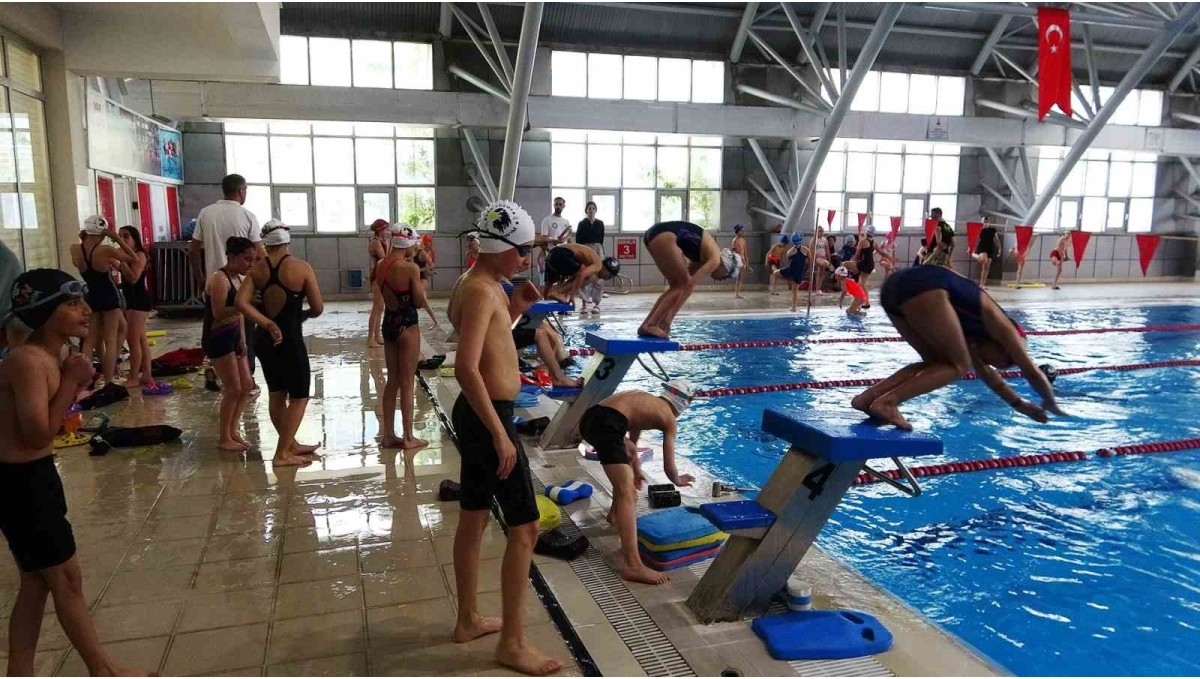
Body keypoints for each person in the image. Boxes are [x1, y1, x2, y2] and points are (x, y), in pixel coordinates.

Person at [0, 269, 145, 676]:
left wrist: (71, 378)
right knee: (66, 579)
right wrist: (71, 383)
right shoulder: (29, 361)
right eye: (72, 303)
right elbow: (34, 435)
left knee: (36, 583)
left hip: (31, 477)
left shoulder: (52, 355)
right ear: (45, 312)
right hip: (21, 482)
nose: (85, 310)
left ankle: (20, 671)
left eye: (83, 300)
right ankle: (102, 670)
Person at [446, 200, 563, 675]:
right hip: (487, 416)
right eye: (522, 252)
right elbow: (465, 367)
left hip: (482, 415)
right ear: (502, 249)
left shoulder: (481, 283)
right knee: (526, 528)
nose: (526, 260)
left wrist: (517, 308)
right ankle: (512, 644)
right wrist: (500, 434)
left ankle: (468, 619)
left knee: (474, 517)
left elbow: (492, 340)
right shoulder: (479, 290)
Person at [853, 264, 1063, 431]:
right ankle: (888, 402)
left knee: (936, 364)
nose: (997, 366)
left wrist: (1020, 406)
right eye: (1007, 362)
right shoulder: (1004, 329)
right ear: (1004, 347)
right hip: (926, 285)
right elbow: (1032, 372)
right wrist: (1050, 402)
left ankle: (869, 398)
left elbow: (990, 378)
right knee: (958, 366)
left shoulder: (973, 338)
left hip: (894, 287)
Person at [578, 380, 696, 585]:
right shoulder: (669, 419)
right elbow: (669, 464)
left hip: (591, 418)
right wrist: (677, 479)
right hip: (608, 423)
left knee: (629, 454)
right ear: (682, 406)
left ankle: (614, 514)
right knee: (628, 492)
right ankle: (633, 565)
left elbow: (632, 440)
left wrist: (636, 470)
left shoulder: (647, 401)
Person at [235, 220, 324, 467]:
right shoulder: (301, 268)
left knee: (276, 393)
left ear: (265, 242)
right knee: (299, 396)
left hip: (264, 339)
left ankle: (290, 443)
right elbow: (317, 308)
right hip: (290, 339)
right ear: (287, 241)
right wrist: (301, 315)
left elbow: (241, 303)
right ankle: (282, 454)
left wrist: (267, 324)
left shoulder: (256, 270)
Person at [191, 174, 263, 386]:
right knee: (244, 336)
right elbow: (258, 254)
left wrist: (200, 280)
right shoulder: (247, 215)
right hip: (241, 285)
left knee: (214, 331)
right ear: (241, 191)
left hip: (214, 284)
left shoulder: (206, 213)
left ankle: (217, 374)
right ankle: (246, 379)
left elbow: (193, 250)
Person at [376, 225, 428, 450]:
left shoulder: (380, 266)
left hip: (388, 324)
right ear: (408, 243)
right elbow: (417, 301)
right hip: (407, 326)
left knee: (392, 381)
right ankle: (408, 437)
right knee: (407, 383)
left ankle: (388, 435)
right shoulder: (410, 268)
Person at [203, 237, 257, 451]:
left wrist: (243, 339)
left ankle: (233, 430)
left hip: (234, 336)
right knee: (233, 388)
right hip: (218, 337)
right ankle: (224, 436)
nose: (250, 265)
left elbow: (240, 315)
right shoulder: (219, 278)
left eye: (252, 260)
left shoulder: (238, 279)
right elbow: (219, 313)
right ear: (232, 257)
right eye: (246, 260)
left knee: (247, 386)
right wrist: (243, 305)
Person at [639, 221, 736, 339]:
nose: (722, 279)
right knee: (680, 285)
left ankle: (647, 325)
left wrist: (668, 318)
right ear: (725, 266)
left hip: (654, 234)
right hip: (665, 235)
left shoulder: (703, 256)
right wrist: (669, 319)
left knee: (676, 286)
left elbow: (685, 287)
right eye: (726, 276)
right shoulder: (715, 259)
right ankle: (652, 324)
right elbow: (688, 286)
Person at [70, 216, 135, 387]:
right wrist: (117, 238)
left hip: (91, 296)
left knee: (89, 340)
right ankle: (108, 381)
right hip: (108, 295)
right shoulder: (104, 250)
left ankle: (83, 381)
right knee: (111, 340)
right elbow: (132, 257)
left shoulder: (75, 249)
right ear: (103, 232)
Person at [115, 226, 164, 394]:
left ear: (135, 239)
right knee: (141, 340)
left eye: (126, 236)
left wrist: (122, 263)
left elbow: (134, 278)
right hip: (132, 301)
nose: (122, 239)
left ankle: (134, 376)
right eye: (120, 236)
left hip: (138, 302)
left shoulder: (140, 255)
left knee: (133, 340)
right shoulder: (126, 255)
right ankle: (147, 375)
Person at [542, 243, 620, 313]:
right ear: (605, 269)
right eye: (609, 276)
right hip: (562, 254)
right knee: (590, 276)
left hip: (551, 254)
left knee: (549, 283)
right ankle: (558, 293)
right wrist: (572, 295)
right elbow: (582, 275)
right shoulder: (598, 264)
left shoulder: (590, 259)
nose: (606, 278)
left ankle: (546, 302)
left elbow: (574, 278)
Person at [575, 201, 606, 312]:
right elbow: (578, 240)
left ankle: (597, 304)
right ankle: (584, 304)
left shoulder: (600, 223)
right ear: (586, 210)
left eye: (593, 208)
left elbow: (601, 238)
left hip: (598, 248)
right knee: (585, 275)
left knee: (598, 276)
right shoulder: (582, 223)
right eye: (589, 208)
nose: (591, 210)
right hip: (586, 249)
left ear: (595, 210)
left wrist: (598, 249)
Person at [366, 219, 391, 348]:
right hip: (377, 274)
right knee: (376, 307)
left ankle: (376, 336)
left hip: (381, 273)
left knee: (380, 307)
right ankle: (370, 338)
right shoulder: (375, 242)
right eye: (386, 229)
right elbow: (383, 258)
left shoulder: (381, 241)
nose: (387, 231)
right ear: (380, 229)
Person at [778, 233, 810, 313]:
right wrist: (808, 270)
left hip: (792, 271)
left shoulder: (790, 251)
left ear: (792, 241)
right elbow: (811, 261)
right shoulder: (806, 250)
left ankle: (793, 307)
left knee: (775, 273)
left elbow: (789, 261)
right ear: (801, 240)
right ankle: (794, 307)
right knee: (795, 290)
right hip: (800, 272)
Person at [414, 233, 439, 327]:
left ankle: (435, 322)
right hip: (415, 277)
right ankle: (435, 322)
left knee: (421, 299)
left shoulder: (422, 253)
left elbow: (432, 265)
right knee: (424, 301)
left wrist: (419, 270)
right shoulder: (413, 252)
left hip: (422, 278)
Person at [970, 217, 1001, 288]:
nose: (986, 222)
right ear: (982, 222)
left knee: (986, 267)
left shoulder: (993, 229)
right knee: (983, 259)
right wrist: (972, 247)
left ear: (989, 222)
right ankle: (972, 254)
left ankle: (982, 284)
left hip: (990, 248)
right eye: (984, 221)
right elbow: (975, 238)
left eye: (987, 221)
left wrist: (999, 248)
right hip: (982, 247)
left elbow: (997, 240)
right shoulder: (980, 229)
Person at [855, 226, 877, 308]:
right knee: (860, 284)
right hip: (870, 264)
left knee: (862, 284)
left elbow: (857, 255)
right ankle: (861, 301)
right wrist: (889, 257)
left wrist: (854, 261)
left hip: (865, 264)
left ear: (866, 232)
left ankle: (866, 302)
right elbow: (881, 252)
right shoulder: (874, 243)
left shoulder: (862, 242)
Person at [809, 226, 832, 294]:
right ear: (816, 232)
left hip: (823, 257)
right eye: (820, 231)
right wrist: (813, 259)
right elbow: (811, 250)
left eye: (822, 231)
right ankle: (816, 289)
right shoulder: (813, 240)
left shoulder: (824, 240)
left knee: (822, 273)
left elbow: (827, 250)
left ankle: (818, 289)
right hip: (817, 257)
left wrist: (829, 259)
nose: (821, 233)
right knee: (821, 269)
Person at [730, 224, 749, 299]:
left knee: (741, 277)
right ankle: (736, 294)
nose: (743, 231)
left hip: (743, 259)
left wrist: (747, 261)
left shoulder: (743, 240)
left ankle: (738, 293)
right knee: (738, 277)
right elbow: (737, 251)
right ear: (738, 231)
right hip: (738, 259)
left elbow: (745, 252)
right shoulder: (735, 240)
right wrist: (743, 261)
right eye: (741, 230)